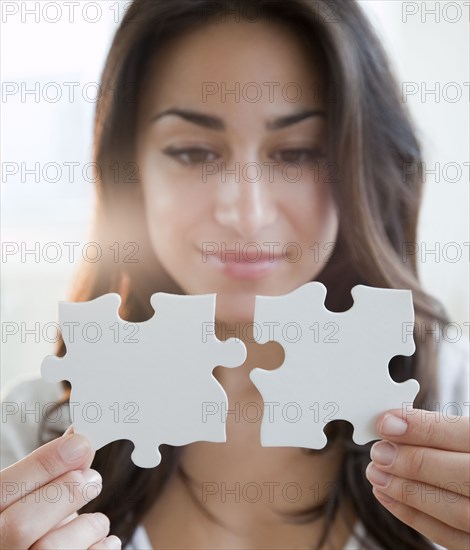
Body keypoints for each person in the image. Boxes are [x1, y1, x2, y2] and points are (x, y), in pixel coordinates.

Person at [1, 1, 469, 549]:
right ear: (130, 172)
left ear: (361, 167)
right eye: (194, 152)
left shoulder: (456, 404)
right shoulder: (30, 435)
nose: (245, 214)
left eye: (297, 153)